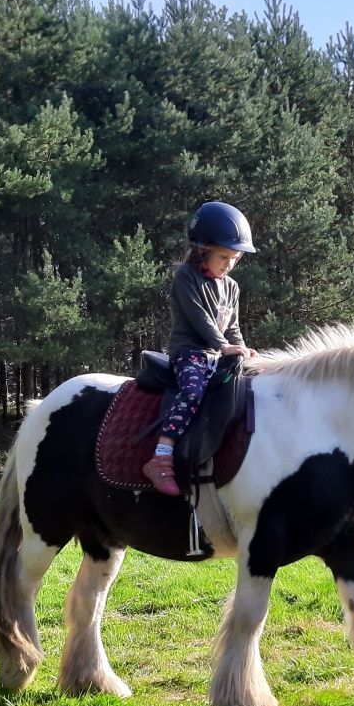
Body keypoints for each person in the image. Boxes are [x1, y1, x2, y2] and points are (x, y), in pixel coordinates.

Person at [142, 201, 257, 496]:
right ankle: (162, 455)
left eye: (235, 258)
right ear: (203, 250)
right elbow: (201, 320)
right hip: (190, 352)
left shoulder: (232, 287)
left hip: (218, 356)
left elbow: (233, 327)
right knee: (192, 391)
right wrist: (223, 346)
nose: (229, 263)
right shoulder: (186, 278)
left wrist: (241, 349)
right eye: (223, 256)